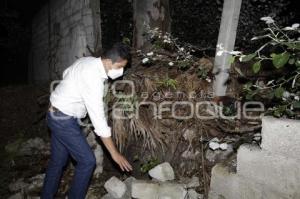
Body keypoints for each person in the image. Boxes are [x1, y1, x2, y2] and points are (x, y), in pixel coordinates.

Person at [41, 43, 133, 199]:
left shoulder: (87, 61)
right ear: (110, 62)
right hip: (63, 120)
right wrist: (115, 154)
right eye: (121, 67)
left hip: (55, 113)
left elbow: (66, 73)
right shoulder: (93, 79)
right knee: (87, 162)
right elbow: (99, 122)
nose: (121, 71)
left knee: (58, 162)